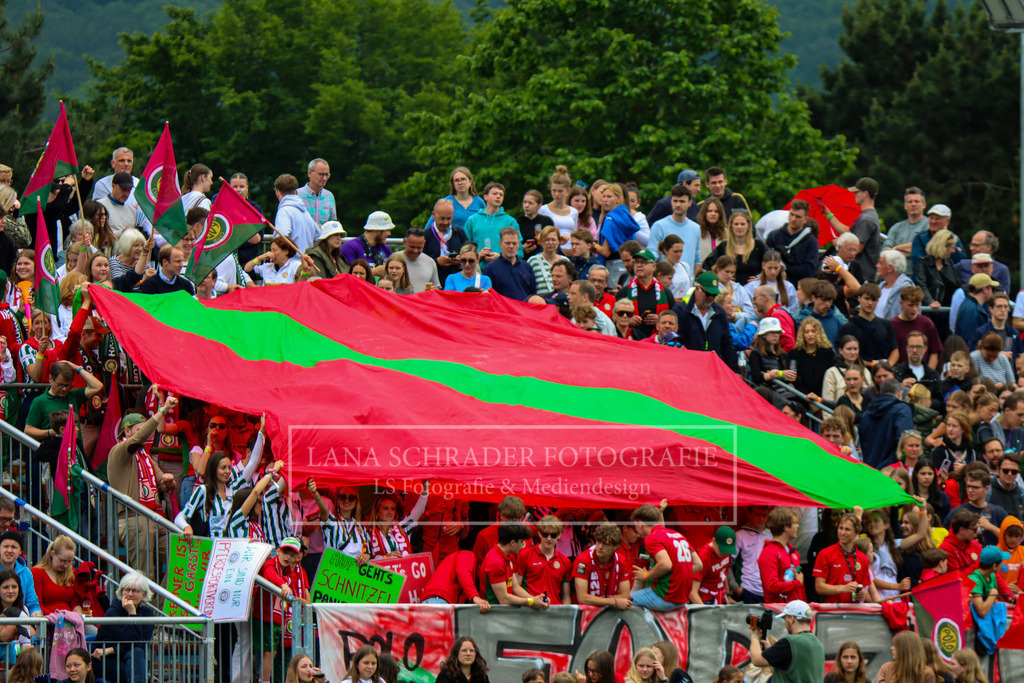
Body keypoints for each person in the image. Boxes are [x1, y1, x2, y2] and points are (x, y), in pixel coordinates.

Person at [254, 538, 311, 683]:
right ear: (278, 551)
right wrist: (283, 585)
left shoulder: (290, 570)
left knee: (272, 653)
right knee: (268, 652)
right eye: (286, 553)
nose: (288, 557)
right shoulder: (271, 564)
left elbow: (306, 599)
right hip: (265, 615)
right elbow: (270, 574)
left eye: (292, 555)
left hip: (277, 618)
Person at [630, 504, 701, 610]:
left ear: (640, 524)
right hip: (683, 599)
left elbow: (665, 564)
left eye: (635, 525)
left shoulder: (651, 538)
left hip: (667, 597)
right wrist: (676, 572)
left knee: (627, 601)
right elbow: (699, 565)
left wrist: (645, 575)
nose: (635, 529)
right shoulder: (677, 535)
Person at [92, 572, 156, 683]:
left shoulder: (147, 614)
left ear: (144, 594)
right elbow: (130, 642)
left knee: (137, 653)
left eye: (135, 591)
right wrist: (132, 614)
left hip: (129, 657)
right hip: (106, 660)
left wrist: (110, 650)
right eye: (126, 590)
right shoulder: (113, 611)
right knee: (132, 670)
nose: (130, 594)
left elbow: (138, 644)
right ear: (121, 592)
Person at [748, 599, 825, 683]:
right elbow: (789, 672)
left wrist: (754, 636)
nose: (785, 624)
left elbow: (757, 660)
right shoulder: (817, 644)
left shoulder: (790, 642)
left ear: (792, 619)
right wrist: (771, 652)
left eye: (785, 619)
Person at [671, 271, 737, 369]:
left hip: (712, 367)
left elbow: (726, 342)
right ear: (697, 289)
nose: (711, 298)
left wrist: (735, 370)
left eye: (714, 295)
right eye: (708, 294)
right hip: (687, 367)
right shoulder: (680, 311)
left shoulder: (719, 312)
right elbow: (676, 342)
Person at [821, 177, 882, 275]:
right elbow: (849, 233)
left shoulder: (866, 219)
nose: (854, 194)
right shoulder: (867, 215)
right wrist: (829, 215)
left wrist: (839, 245)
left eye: (857, 192)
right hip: (861, 273)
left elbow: (857, 248)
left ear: (865, 194)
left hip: (862, 274)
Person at [479, 523, 547, 608]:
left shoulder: (508, 555)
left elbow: (515, 588)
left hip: (505, 613)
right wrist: (531, 602)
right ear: (513, 543)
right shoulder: (495, 562)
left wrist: (536, 600)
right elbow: (504, 599)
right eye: (522, 542)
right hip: (494, 614)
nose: (523, 546)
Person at [813, 513, 873, 603]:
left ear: (856, 532)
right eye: (841, 528)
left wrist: (862, 594)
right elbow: (819, 587)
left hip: (855, 611)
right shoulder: (825, 554)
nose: (842, 532)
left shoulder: (863, 558)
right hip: (832, 611)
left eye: (847, 529)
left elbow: (864, 588)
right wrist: (842, 588)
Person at [617, 249, 672, 339]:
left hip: (657, 341)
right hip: (631, 340)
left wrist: (660, 320)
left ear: (653, 267)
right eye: (636, 262)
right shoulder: (624, 292)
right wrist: (627, 319)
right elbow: (614, 317)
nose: (639, 265)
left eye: (644, 262)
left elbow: (674, 318)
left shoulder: (665, 293)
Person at [860, 380, 915, 469]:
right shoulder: (902, 410)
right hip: (893, 472)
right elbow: (905, 442)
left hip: (870, 471)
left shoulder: (866, 415)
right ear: (899, 393)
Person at [648, 185, 700, 276]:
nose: (678, 205)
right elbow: (652, 256)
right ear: (671, 201)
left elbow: (697, 258)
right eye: (675, 201)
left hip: (687, 283)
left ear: (690, 203)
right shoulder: (659, 226)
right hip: (664, 281)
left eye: (682, 201)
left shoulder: (696, 228)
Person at [758, 507, 805, 603]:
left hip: (796, 611)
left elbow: (800, 586)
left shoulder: (793, 552)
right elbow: (771, 586)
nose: (797, 526)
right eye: (795, 523)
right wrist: (797, 583)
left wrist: (804, 605)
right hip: (779, 613)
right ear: (786, 527)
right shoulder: (769, 553)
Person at [766, 200, 819, 282]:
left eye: (798, 217)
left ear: (805, 219)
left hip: (799, 286)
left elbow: (809, 270)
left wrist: (785, 267)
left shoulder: (811, 241)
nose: (793, 219)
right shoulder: (774, 236)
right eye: (791, 215)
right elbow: (765, 262)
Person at [420, 550, 491, 612]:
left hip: (437, 600)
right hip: (438, 600)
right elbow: (463, 572)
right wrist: (475, 597)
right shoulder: (468, 555)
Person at [465, 182, 520, 262]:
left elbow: (519, 249)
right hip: (478, 268)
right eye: (495, 194)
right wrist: (477, 255)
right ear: (485, 197)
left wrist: (501, 256)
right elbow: (465, 247)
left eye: (501, 195)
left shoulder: (510, 221)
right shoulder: (473, 220)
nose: (498, 196)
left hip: (503, 267)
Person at [31, 535, 81, 615]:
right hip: (49, 620)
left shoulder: (71, 572)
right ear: (52, 554)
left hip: (70, 619)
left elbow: (74, 602)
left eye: (70, 561)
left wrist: (80, 616)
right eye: (62, 560)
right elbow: (37, 605)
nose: (66, 565)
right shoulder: (37, 573)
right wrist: (58, 618)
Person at [483, 227, 536, 301]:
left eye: (514, 243)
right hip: (502, 311)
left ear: (519, 244)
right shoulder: (490, 269)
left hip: (524, 311)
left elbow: (533, 294)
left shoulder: (527, 267)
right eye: (507, 243)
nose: (511, 246)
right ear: (500, 243)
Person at [273, 174, 319, 254]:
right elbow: (319, 237)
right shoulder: (306, 212)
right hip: (306, 262)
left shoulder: (284, 211)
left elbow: (281, 238)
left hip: (291, 263)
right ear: (297, 192)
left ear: (277, 193)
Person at [425, 198, 468, 284]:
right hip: (433, 282)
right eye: (442, 218)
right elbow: (420, 261)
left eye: (449, 218)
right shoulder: (426, 235)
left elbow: (470, 253)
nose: (445, 222)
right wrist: (436, 261)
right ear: (434, 215)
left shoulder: (460, 233)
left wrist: (461, 259)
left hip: (456, 282)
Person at [915, 229, 961, 308]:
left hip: (947, 311)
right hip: (931, 311)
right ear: (943, 247)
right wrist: (930, 302)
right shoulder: (923, 263)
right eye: (952, 248)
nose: (953, 251)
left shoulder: (949, 263)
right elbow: (921, 285)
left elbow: (958, 285)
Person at [340, 212, 394, 276]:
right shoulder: (350, 247)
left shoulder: (386, 249)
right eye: (387, 230)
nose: (389, 234)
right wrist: (373, 272)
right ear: (377, 230)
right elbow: (347, 277)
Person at [883, 186, 930, 256]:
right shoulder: (896, 227)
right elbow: (885, 250)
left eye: (916, 201)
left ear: (924, 205)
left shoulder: (930, 225)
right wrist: (908, 252)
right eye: (910, 202)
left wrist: (896, 248)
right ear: (905, 205)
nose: (913, 204)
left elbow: (922, 248)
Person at [537, 166, 579, 241]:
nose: (556, 194)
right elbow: (538, 233)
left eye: (560, 191)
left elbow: (574, 233)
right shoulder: (542, 210)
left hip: (570, 249)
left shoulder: (574, 212)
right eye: (554, 190)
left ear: (567, 191)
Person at [955, 274, 996, 340]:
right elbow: (970, 340)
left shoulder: (973, 307)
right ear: (985, 289)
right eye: (992, 289)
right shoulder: (971, 311)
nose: (993, 293)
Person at [297, 158, 336, 227]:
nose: (324, 178)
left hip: (323, 237)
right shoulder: (297, 195)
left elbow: (333, 225)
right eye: (321, 174)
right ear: (310, 173)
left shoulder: (329, 196)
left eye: (327, 175)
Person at [401, 227, 440, 292]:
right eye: (412, 247)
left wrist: (435, 289)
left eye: (419, 248)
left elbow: (437, 286)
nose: (415, 251)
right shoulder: (395, 259)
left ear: (424, 243)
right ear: (405, 242)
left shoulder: (430, 262)